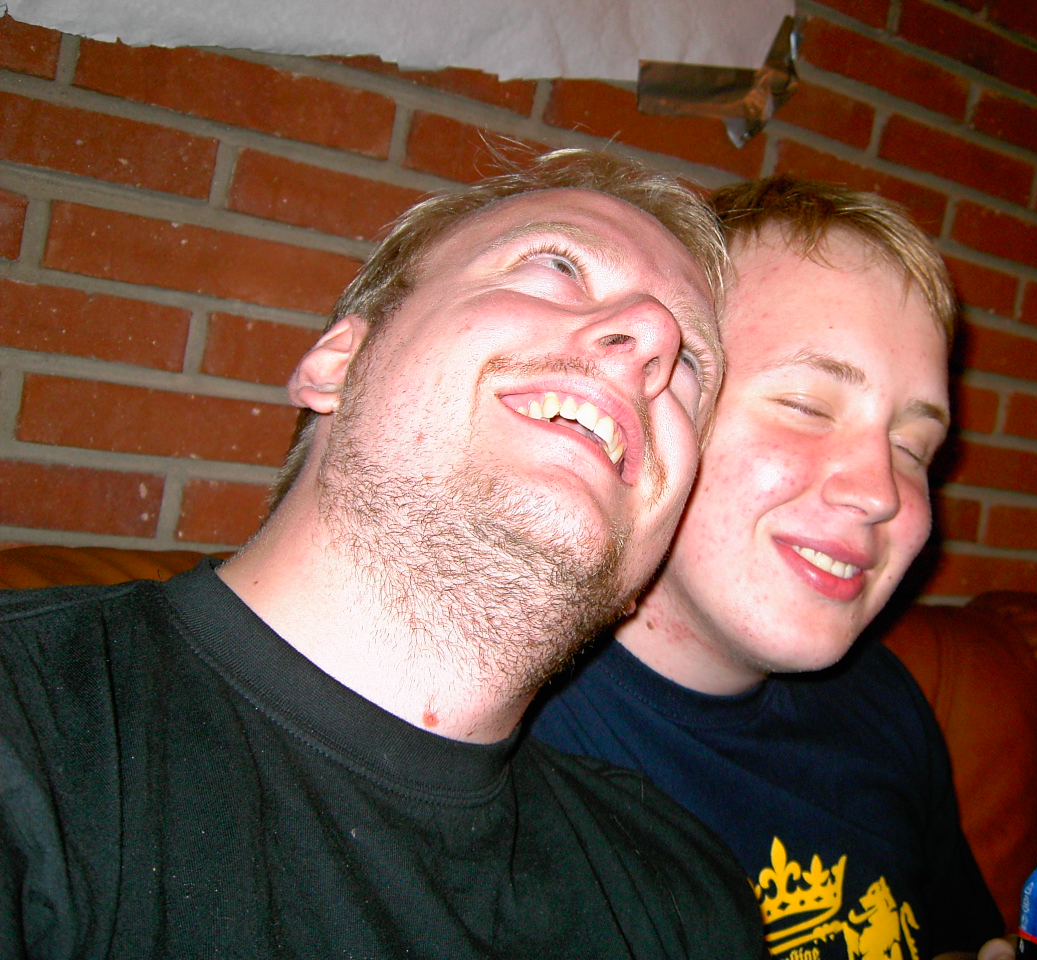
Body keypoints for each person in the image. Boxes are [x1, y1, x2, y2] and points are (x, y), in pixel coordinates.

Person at [0, 150, 764, 959]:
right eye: (556, 265)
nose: (651, 336)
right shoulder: (30, 732)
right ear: (340, 363)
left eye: (690, 365)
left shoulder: (682, 892)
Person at [531, 176, 1037, 960]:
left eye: (914, 448)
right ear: (658, 401)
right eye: (808, 406)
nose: (883, 492)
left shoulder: (881, 705)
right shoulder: (503, 740)